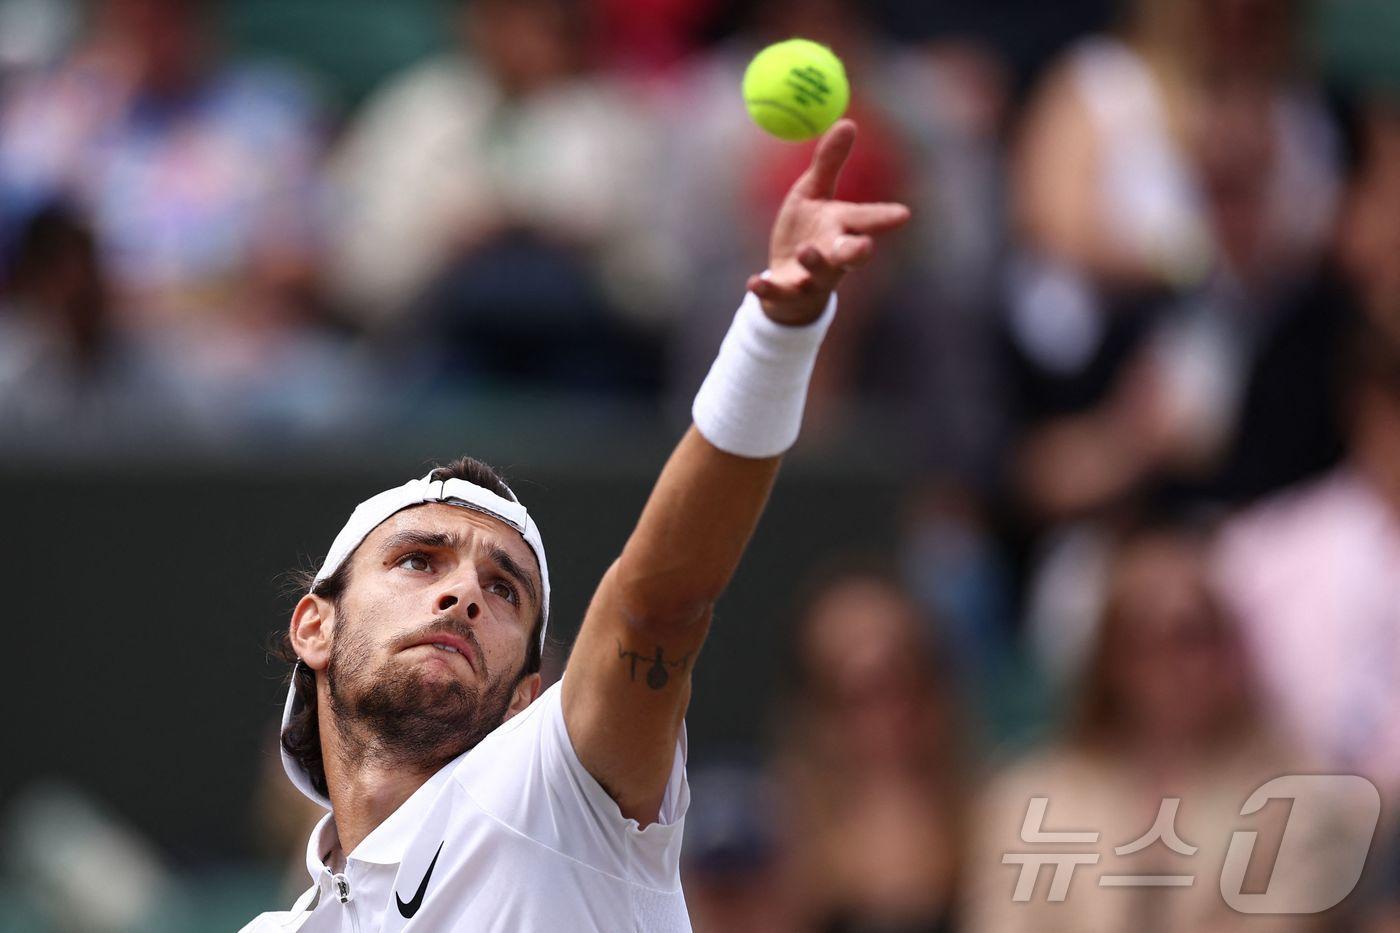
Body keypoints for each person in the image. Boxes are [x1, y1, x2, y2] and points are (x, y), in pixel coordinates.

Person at [239, 119, 910, 931]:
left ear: (529, 697)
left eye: (503, 588)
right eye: (419, 561)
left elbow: (658, 604)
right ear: (314, 623)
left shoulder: (560, 790)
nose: (463, 595)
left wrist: (775, 337)